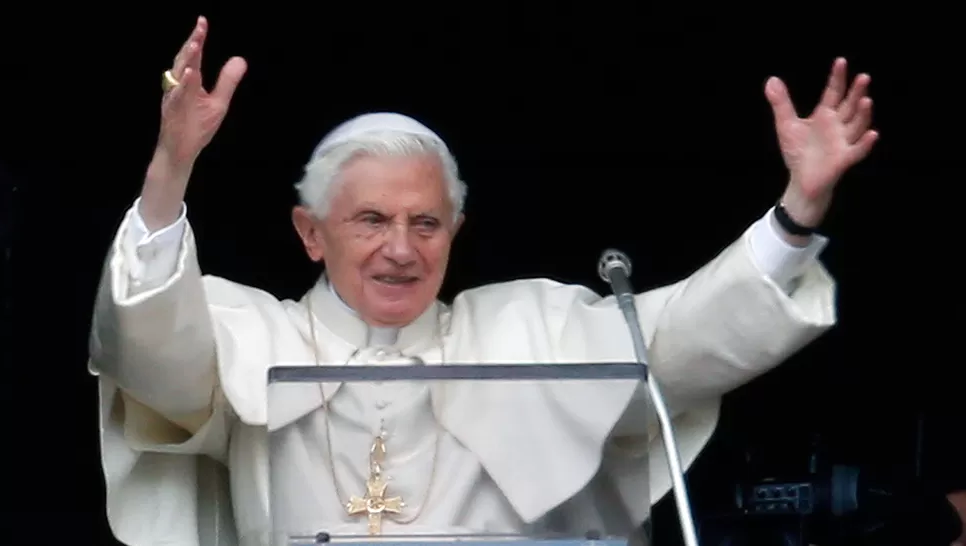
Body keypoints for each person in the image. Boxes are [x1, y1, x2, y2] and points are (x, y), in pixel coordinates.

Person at [87, 16, 877, 546]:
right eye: (370, 221)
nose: (402, 249)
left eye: (425, 224)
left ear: (454, 235)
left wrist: (796, 214)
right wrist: (171, 167)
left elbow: (675, 346)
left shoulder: (526, 331)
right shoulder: (250, 337)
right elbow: (152, 349)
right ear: (309, 234)